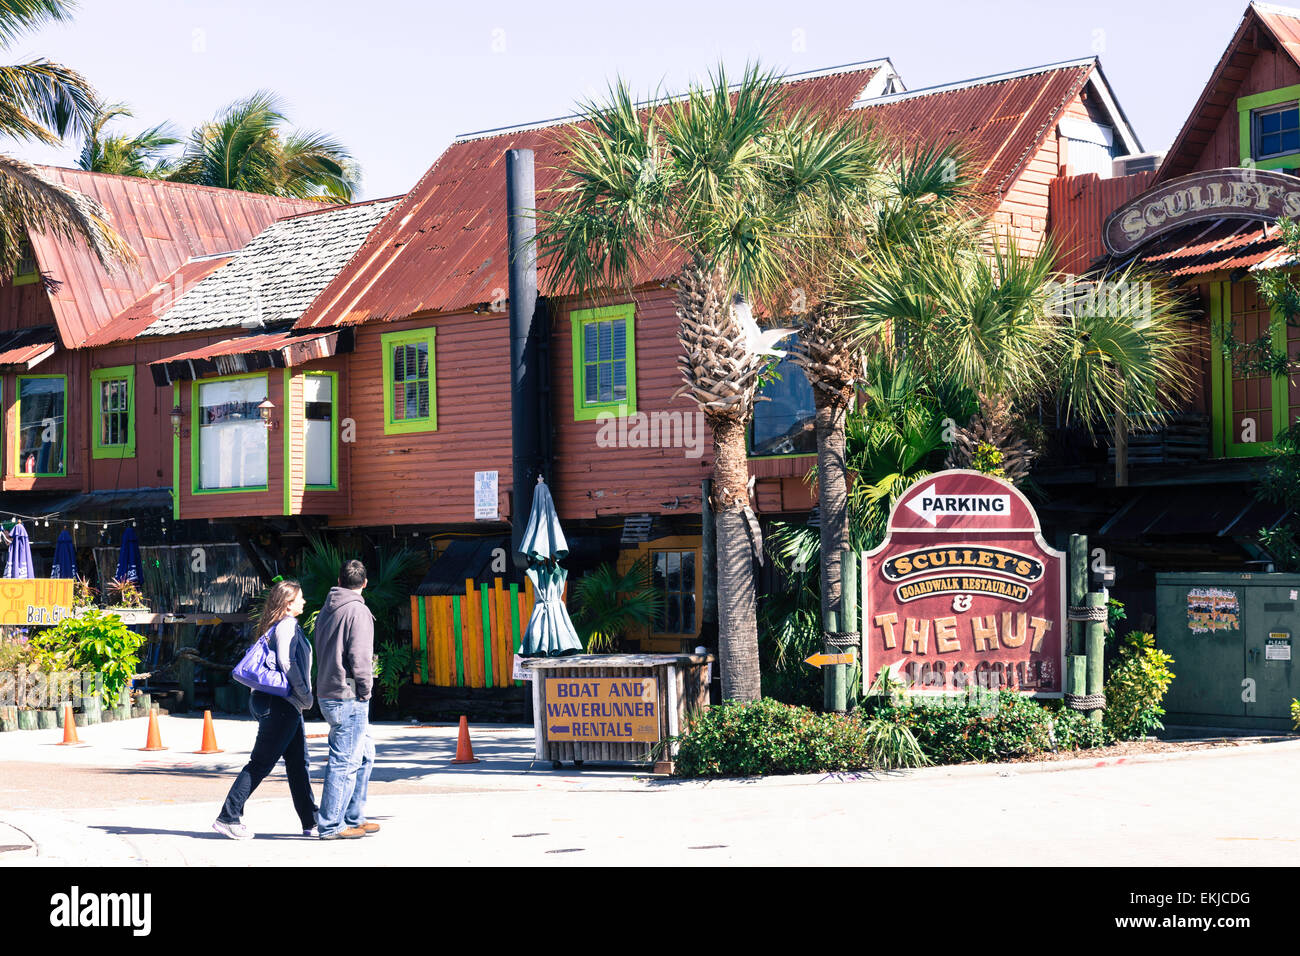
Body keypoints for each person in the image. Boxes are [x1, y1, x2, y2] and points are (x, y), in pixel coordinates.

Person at [213, 579, 317, 840]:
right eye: (300, 598)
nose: (304, 602)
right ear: (288, 603)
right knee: (260, 763)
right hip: (281, 703)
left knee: (297, 764)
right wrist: (305, 695)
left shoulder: (276, 626)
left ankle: (311, 821)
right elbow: (286, 661)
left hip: (278, 703)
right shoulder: (287, 626)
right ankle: (228, 817)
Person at [313, 559, 377, 840]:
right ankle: (331, 825)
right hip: (348, 694)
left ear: (339, 580)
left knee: (363, 755)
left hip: (329, 690)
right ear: (364, 583)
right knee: (346, 761)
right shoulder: (357, 611)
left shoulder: (327, 609)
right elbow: (360, 657)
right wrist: (366, 690)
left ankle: (353, 816)